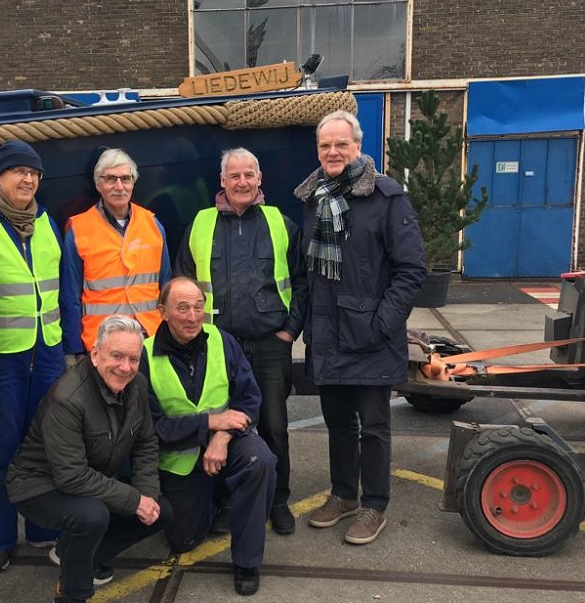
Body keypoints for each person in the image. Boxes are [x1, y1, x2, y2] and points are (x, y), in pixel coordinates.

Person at [294, 110, 427, 545]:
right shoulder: (313, 198)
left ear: (357, 146)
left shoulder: (387, 198)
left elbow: (411, 270)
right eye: (325, 145)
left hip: (370, 336)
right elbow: (309, 273)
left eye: (341, 144)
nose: (332, 152)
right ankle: (344, 495)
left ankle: (374, 505)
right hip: (327, 335)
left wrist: (382, 323)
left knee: (373, 427)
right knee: (338, 424)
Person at [0, 140, 78, 572]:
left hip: (46, 353)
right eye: (19, 172)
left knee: (44, 446)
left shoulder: (46, 221)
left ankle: (43, 529)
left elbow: (64, 288)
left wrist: (69, 347)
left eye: (35, 173)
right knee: (0, 450)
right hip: (1, 356)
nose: (28, 180)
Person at [174, 147, 307, 536]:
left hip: (269, 346)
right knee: (220, 427)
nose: (242, 182)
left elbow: (302, 281)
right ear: (222, 181)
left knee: (274, 427)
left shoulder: (281, 223)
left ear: (259, 179)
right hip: (216, 345)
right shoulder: (200, 224)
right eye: (234, 176)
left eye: (249, 174)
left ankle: (277, 500)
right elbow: (183, 282)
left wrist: (289, 331)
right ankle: (226, 502)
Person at [7, 315, 173, 603]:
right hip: (38, 484)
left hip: (88, 476)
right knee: (92, 516)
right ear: (95, 354)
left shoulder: (136, 385)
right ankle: (73, 593)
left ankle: (76, 556)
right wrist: (134, 500)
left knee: (161, 511)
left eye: (133, 359)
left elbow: (145, 443)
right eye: (117, 356)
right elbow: (71, 475)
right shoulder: (69, 397)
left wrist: (146, 494)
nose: (125, 367)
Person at [140, 277, 276, 596]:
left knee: (260, 460)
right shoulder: (144, 357)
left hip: (227, 443)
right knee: (183, 540)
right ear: (162, 311)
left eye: (198, 307)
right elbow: (152, 429)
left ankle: (246, 562)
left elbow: (249, 399)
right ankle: (219, 497)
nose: (192, 316)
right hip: (179, 457)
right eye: (182, 308)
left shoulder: (222, 340)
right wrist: (210, 422)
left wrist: (222, 435)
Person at [61, 148, 172, 359]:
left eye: (125, 179)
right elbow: (70, 297)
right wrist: (74, 350)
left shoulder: (153, 225)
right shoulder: (78, 229)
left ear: (133, 183)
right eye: (111, 179)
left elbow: (166, 288)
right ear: (98, 184)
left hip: (149, 340)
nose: (119, 186)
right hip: (101, 344)